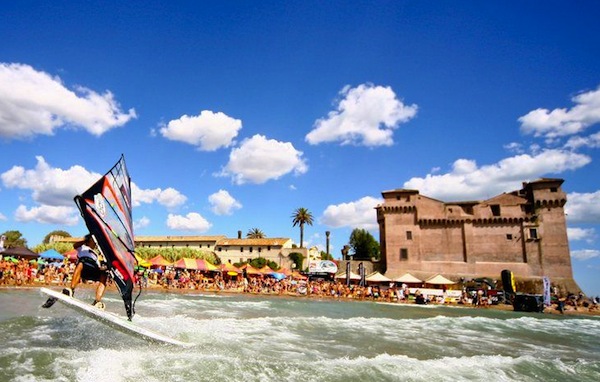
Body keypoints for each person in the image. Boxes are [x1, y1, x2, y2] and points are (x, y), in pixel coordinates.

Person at [63, 234, 109, 309]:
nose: (95, 243)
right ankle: (71, 290)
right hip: (83, 269)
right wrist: (86, 239)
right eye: (93, 241)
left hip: (93, 270)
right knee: (81, 263)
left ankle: (97, 301)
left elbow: (98, 266)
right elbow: (75, 245)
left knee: (104, 274)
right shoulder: (82, 247)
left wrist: (103, 269)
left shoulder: (96, 254)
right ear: (89, 240)